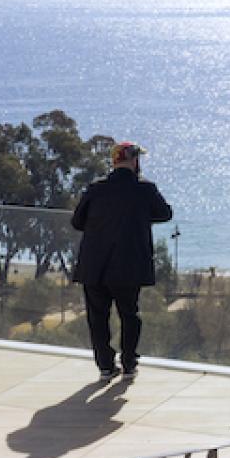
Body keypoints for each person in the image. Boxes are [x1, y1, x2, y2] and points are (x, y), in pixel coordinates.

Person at [70, 141, 173, 381]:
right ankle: (129, 363)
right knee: (129, 314)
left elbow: (77, 221)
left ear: (114, 161)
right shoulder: (144, 189)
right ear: (135, 161)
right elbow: (165, 213)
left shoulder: (96, 188)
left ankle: (105, 365)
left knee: (98, 317)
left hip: (94, 265)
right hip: (128, 265)